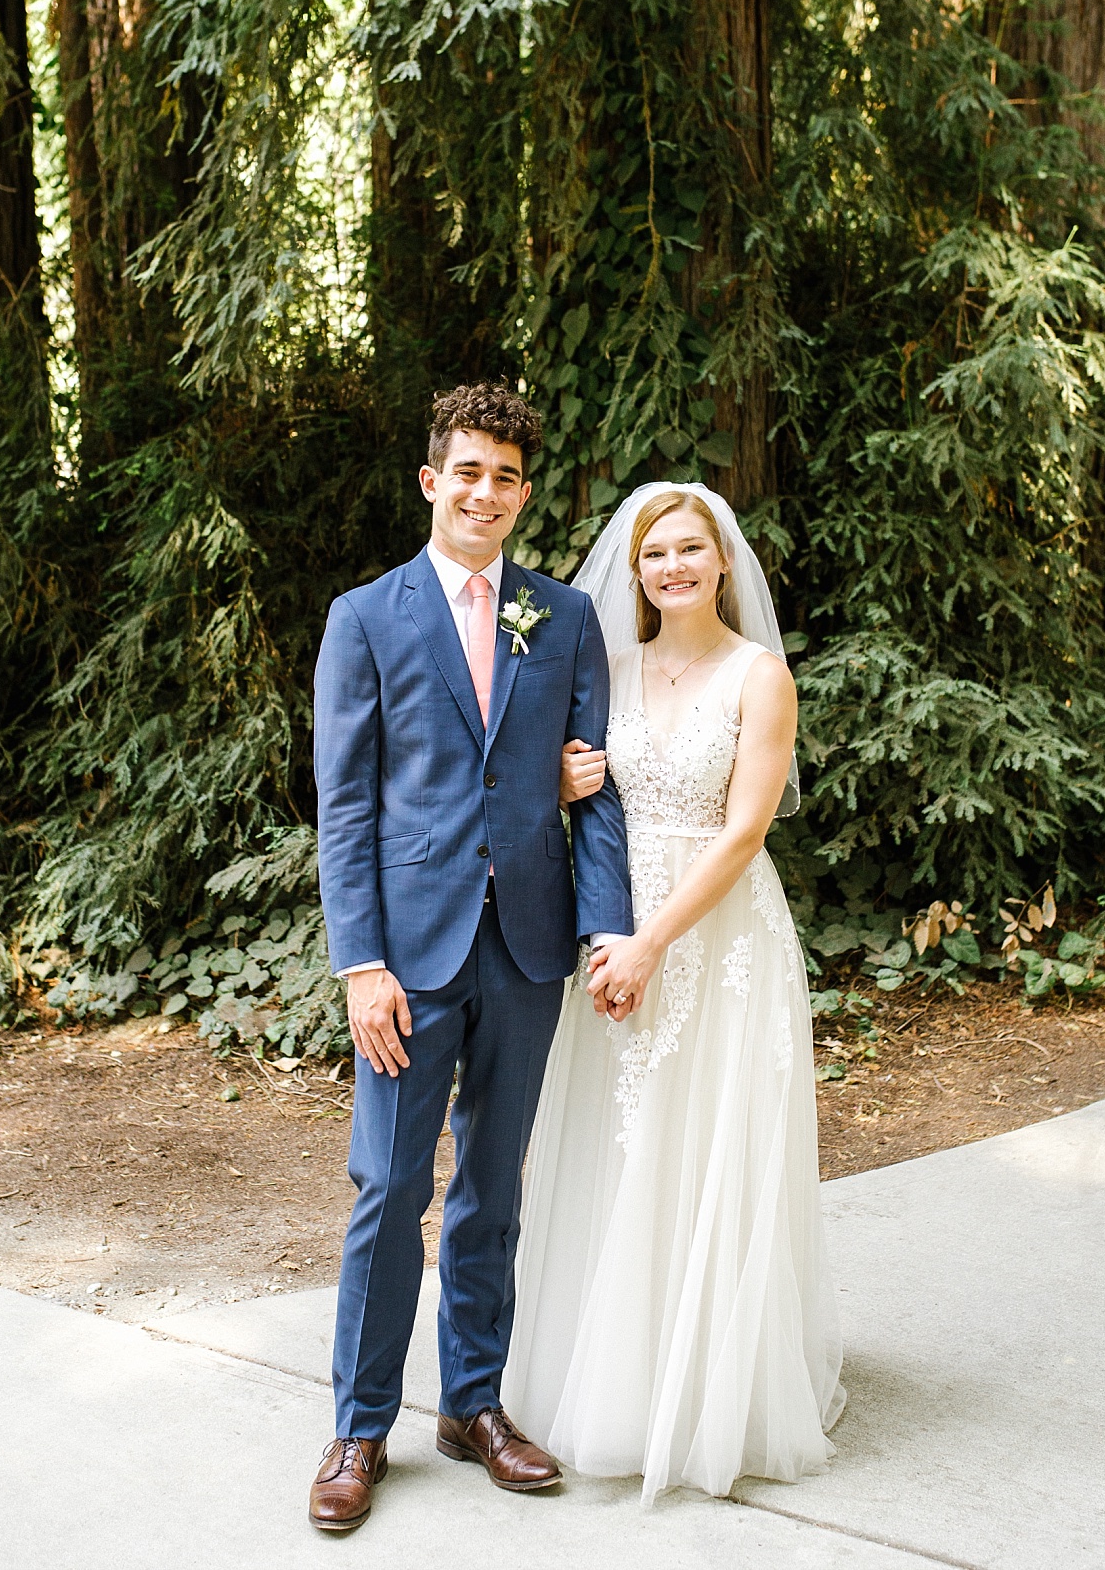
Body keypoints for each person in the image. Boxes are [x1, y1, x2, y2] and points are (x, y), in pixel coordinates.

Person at [306, 382, 633, 1532]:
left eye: (504, 475)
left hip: (528, 947)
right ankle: (357, 1427)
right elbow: (344, 807)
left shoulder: (562, 619)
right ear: (429, 480)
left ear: (523, 492)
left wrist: (603, 932)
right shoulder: (366, 617)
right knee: (388, 1191)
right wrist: (360, 965)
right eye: (466, 470)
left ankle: (473, 1404)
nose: (483, 491)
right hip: (409, 953)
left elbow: (589, 793)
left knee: (495, 1188)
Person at [508, 483, 844, 1501]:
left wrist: (653, 940)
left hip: (713, 929)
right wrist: (569, 783)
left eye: (689, 550)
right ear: (636, 570)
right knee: (614, 1140)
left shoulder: (759, 676)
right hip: (611, 921)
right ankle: (610, 1374)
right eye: (654, 555)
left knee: (704, 1143)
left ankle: (708, 1394)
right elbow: (573, 786)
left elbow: (745, 830)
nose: (671, 568)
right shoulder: (601, 668)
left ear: (722, 561)